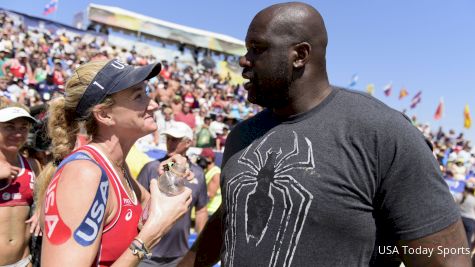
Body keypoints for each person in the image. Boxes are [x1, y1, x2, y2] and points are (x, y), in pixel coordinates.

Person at [179, 2, 471, 267]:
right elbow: (229, 218)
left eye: (257, 48)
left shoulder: (382, 133)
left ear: (300, 55)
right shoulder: (242, 136)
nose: (244, 61)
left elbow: (448, 258)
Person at [35, 59, 193, 266]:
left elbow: (149, 212)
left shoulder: (117, 166)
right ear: (104, 115)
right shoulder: (85, 174)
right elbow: (152, 227)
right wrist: (147, 240)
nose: (153, 104)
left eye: (146, 93)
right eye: (138, 96)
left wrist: (171, 172)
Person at [137, 121, 208, 267]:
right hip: (147, 251)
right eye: (168, 138)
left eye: (175, 139)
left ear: (188, 143)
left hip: (179, 254)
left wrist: (200, 245)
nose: (170, 143)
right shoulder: (153, 168)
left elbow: (201, 210)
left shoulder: (198, 174)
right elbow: (136, 204)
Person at [0, 104, 42, 267]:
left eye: (23, 128)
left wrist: (40, 210)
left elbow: (43, 200)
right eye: (9, 127)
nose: (17, 133)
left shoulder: (33, 165)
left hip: (23, 261)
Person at [197, 148, 221, 216]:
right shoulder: (205, 171)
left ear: (209, 158)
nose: (200, 160)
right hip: (205, 209)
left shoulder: (216, 173)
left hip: (211, 210)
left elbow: (210, 195)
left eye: (202, 158)